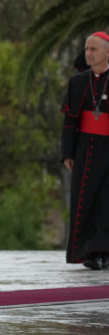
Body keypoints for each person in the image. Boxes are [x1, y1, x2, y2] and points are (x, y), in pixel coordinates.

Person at [61, 32, 109, 270]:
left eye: (94, 49)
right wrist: (67, 153)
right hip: (86, 149)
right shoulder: (78, 82)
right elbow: (70, 121)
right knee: (85, 201)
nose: (88, 54)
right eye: (87, 49)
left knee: (106, 202)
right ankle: (89, 253)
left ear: (107, 53)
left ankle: (105, 252)